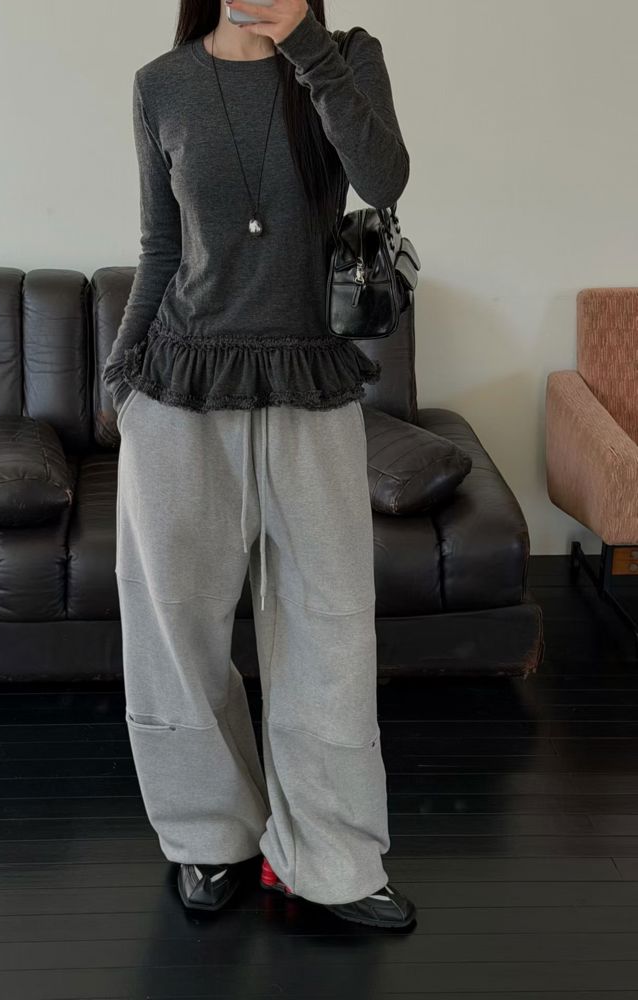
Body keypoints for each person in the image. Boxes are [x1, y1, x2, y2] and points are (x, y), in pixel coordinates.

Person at [102, 0, 417, 931]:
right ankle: (209, 836)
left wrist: (304, 44)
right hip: (180, 386)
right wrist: (123, 377)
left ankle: (334, 857)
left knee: (331, 625)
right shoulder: (161, 84)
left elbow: (384, 179)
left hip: (309, 378)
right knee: (175, 628)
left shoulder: (346, 56)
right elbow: (161, 247)